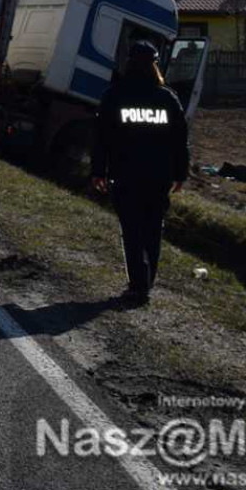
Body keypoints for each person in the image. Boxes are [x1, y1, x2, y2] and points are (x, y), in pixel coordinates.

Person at [90, 40, 189, 303]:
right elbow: (180, 140)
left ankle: (137, 283)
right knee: (153, 229)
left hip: (125, 175)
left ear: (129, 64)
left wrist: (97, 171)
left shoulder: (114, 96)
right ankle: (147, 283)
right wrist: (181, 174)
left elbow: (101, 138)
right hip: (158, 177)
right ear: (154, 65)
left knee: (132, 229)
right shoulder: (167, 98)